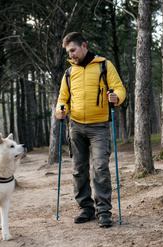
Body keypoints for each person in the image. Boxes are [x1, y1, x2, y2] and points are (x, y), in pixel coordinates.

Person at [55, 32, 126, 228]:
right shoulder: (69, 73)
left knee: (101, 167)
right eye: (68, 52)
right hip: (76, 126)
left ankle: (104, 211)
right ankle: (86, 209)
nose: (71, 55)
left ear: (84, 46)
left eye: (73, 50)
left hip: (99, 127)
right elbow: (63, 99)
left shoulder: (104, 65)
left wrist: (117, 97)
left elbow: (119, 88)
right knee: (79, 169)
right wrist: (60, 110)